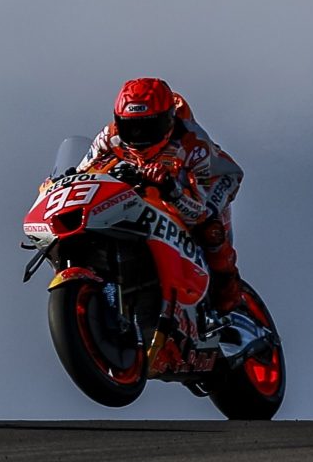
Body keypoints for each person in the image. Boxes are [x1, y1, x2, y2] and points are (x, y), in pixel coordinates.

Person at [77, 77, 244, 314]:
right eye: (130, 127)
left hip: (213, 181)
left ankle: (228, 286)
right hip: (147, 185)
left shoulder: (193, 145)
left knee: (210, 228)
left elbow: (198, 211)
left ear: (168, 121)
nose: (138, 137)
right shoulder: (109, 136)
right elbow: (83, 172)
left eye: (149, 128)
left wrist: (172, 190)